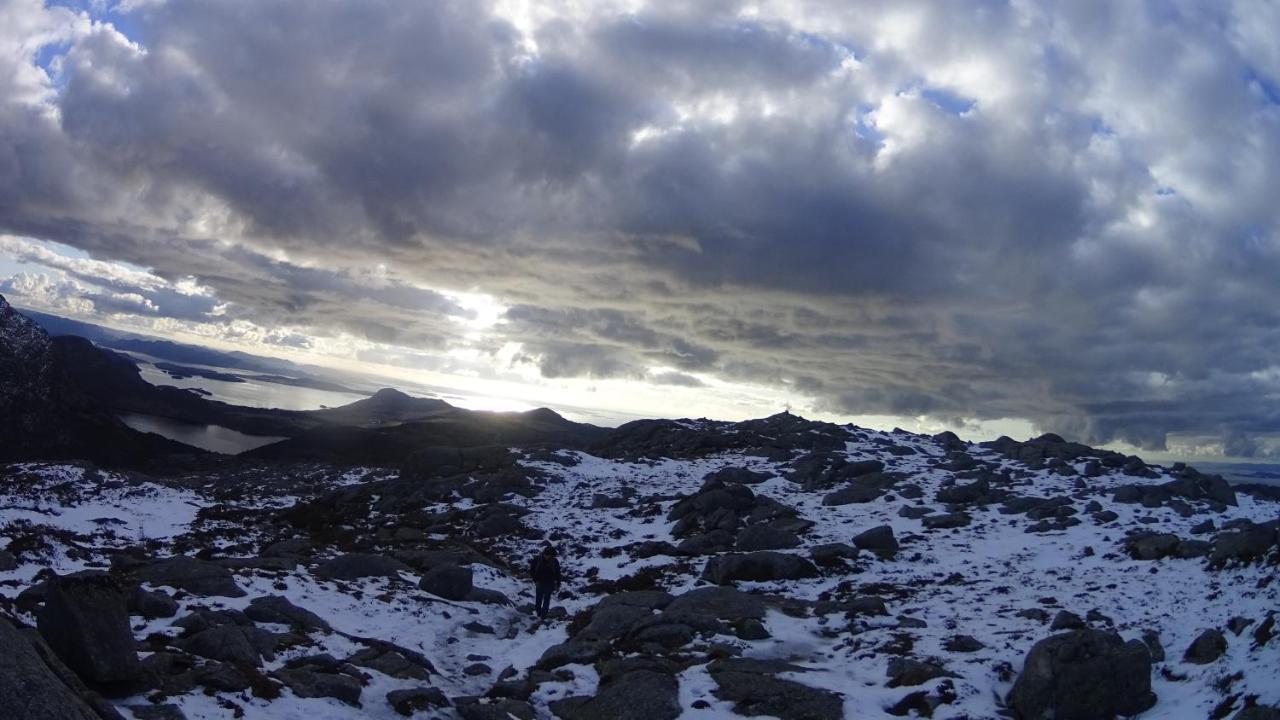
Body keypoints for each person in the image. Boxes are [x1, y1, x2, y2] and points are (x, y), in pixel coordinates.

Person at [529, 544, 561, 618]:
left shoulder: (554, 561)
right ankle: (539, 613)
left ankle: (543, 616)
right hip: (539, 582)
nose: (548, 557)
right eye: (547, 555)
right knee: (538, 599)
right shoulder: (537, 560)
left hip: (550, 583)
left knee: (546, 600)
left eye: (550, 555)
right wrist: (535, 580)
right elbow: (532, 571)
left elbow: (558, 573)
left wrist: (558, 584)